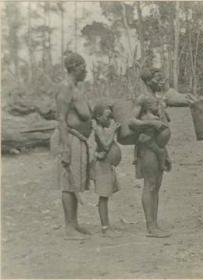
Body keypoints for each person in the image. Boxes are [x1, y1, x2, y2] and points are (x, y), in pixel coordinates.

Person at [130, 67, 195, 238]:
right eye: (157, 78)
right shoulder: (143, 98)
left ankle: (155, 224)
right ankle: (150, 226)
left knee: (156, 186)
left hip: (159, 148)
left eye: (161, 78)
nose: (160, 81)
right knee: (150, 184)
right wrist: (151, 124)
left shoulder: (158, 98)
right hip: (148, 146)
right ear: (148, 80)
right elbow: (132, 121)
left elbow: (176, 98)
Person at [55, 52, 93, 240]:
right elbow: (61, 119)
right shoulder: (65, 87)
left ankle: (75, 223)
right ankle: (68, 228)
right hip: (69, 139)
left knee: (76, 181)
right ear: (74, 67)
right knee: (68, 183)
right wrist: (65, 148)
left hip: (79, 139)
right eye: (83, 67)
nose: (86, 70)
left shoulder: (77, 87)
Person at [91, 103, 121, 237]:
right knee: (103, 196)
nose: (110, 120)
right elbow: (106, 144)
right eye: (107, 117)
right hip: (101, 167)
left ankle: (106, 226)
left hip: (107, 166)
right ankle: (105, 228)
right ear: (98, 117)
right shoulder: (96, 127)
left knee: (106, 196)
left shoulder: (102, 126)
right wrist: (113, 129)